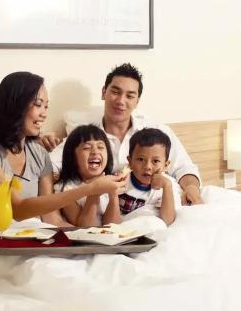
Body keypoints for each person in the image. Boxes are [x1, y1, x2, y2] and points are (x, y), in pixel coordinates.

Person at [0, 71, 126, 226]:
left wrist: (87, 238)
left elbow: (51, 218)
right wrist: (90, 189)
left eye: (46, 106)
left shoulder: (39, 154)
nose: (44, 114)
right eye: (38, 104)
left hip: (25, 233)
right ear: (15, 105)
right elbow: (16, 208)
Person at [47, 63, 204, 206]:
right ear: (104, 92)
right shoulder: (86, 136)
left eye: (130, 96)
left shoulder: (155, 131)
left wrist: (192, 189)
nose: (121, 101)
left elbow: (184, 168)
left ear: (137, 101)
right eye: (115, 92)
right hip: (112, 211)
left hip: (159, 206)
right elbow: (48, 168)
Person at [103, 128, 178, 225]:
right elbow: (109, 225)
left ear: (165, 165)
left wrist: (167, 186)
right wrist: (113, 195)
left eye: (155, 161)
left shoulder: (168, 185)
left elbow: (167, 221)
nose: (147, 166)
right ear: (130, 161)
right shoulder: (119, 179)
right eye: (141, 159)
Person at [55, 124, 115, 227]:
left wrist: (113, 195)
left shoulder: (109, 182)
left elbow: (114, 226)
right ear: (72, 157)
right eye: (87, 148)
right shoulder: (64, 189)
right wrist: (95, 192)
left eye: (100, 147)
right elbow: (84, 227)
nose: (95, 152)